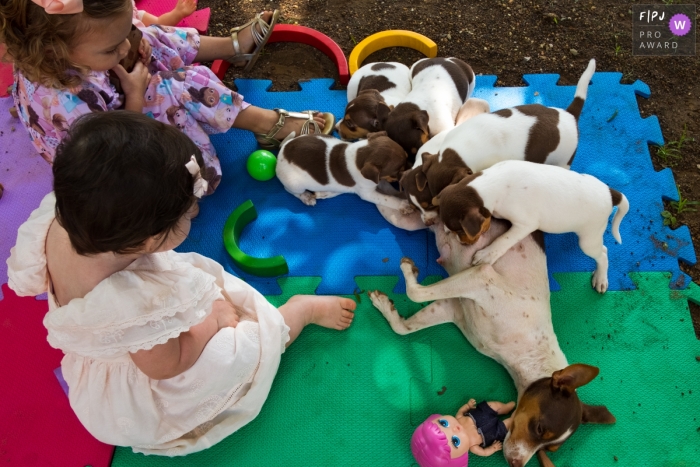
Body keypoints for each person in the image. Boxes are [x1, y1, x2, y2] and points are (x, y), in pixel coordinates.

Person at [6, 111, 356, 455]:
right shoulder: (134, 303)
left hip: (121, 337)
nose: (194, 211)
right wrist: (215, 321)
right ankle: (296, 315)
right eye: (187, 212)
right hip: (153, 369)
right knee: (246, 343)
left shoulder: (66, 214)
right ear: (146, 242)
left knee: (202, 288)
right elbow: (168, 363)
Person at [0, 0, 334, 193]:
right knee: (175, 86)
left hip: (109, 102)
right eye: (112, 47)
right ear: (54, 51)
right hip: (113, 163)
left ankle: (232, 49)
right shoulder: (66, 101)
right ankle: (268, 125)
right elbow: (112, 152)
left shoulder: (85, 36)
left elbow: (131, 32)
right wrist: (134, 95)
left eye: (123, 33)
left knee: (151, 35)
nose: (126, 47)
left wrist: (135, 35)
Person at [411, 398, 516, 466]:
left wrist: (468, 406)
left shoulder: (459, 418)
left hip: (481, 414)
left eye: (444, 423)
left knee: (493, 405)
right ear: (461, 455)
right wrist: (493, 448)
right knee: (506, 426)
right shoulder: (473, 447)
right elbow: (484, 452)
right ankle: (513, 419)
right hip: (491, 433)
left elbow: (461, 411)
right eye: (455, 441)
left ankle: (505, 408)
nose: (454, 429)